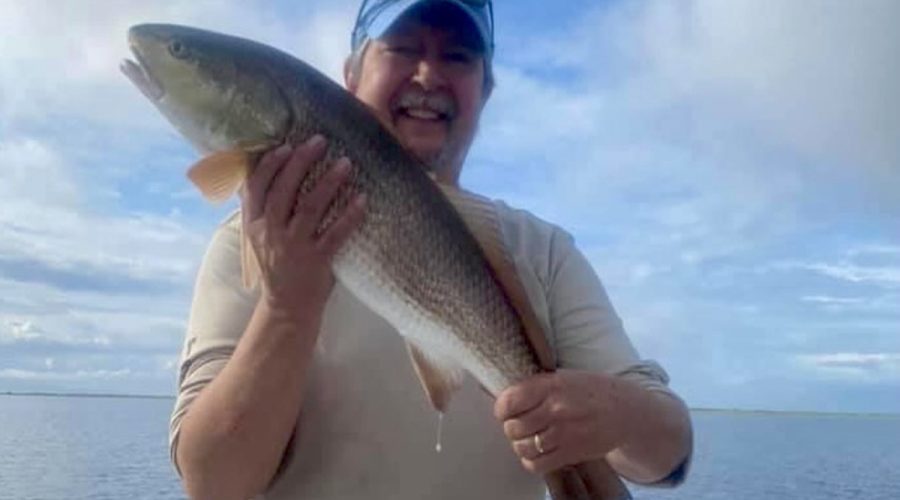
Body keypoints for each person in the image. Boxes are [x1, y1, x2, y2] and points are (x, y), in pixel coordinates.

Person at [168, 1, 693, 499]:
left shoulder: (541, 252)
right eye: (401, 47)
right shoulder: (245, 242)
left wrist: (619, 414)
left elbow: (668, 455)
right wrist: (286, 308)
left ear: (485, 90)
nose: (427, 75)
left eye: (458, 56)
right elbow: (214, 485)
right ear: (351, 76)